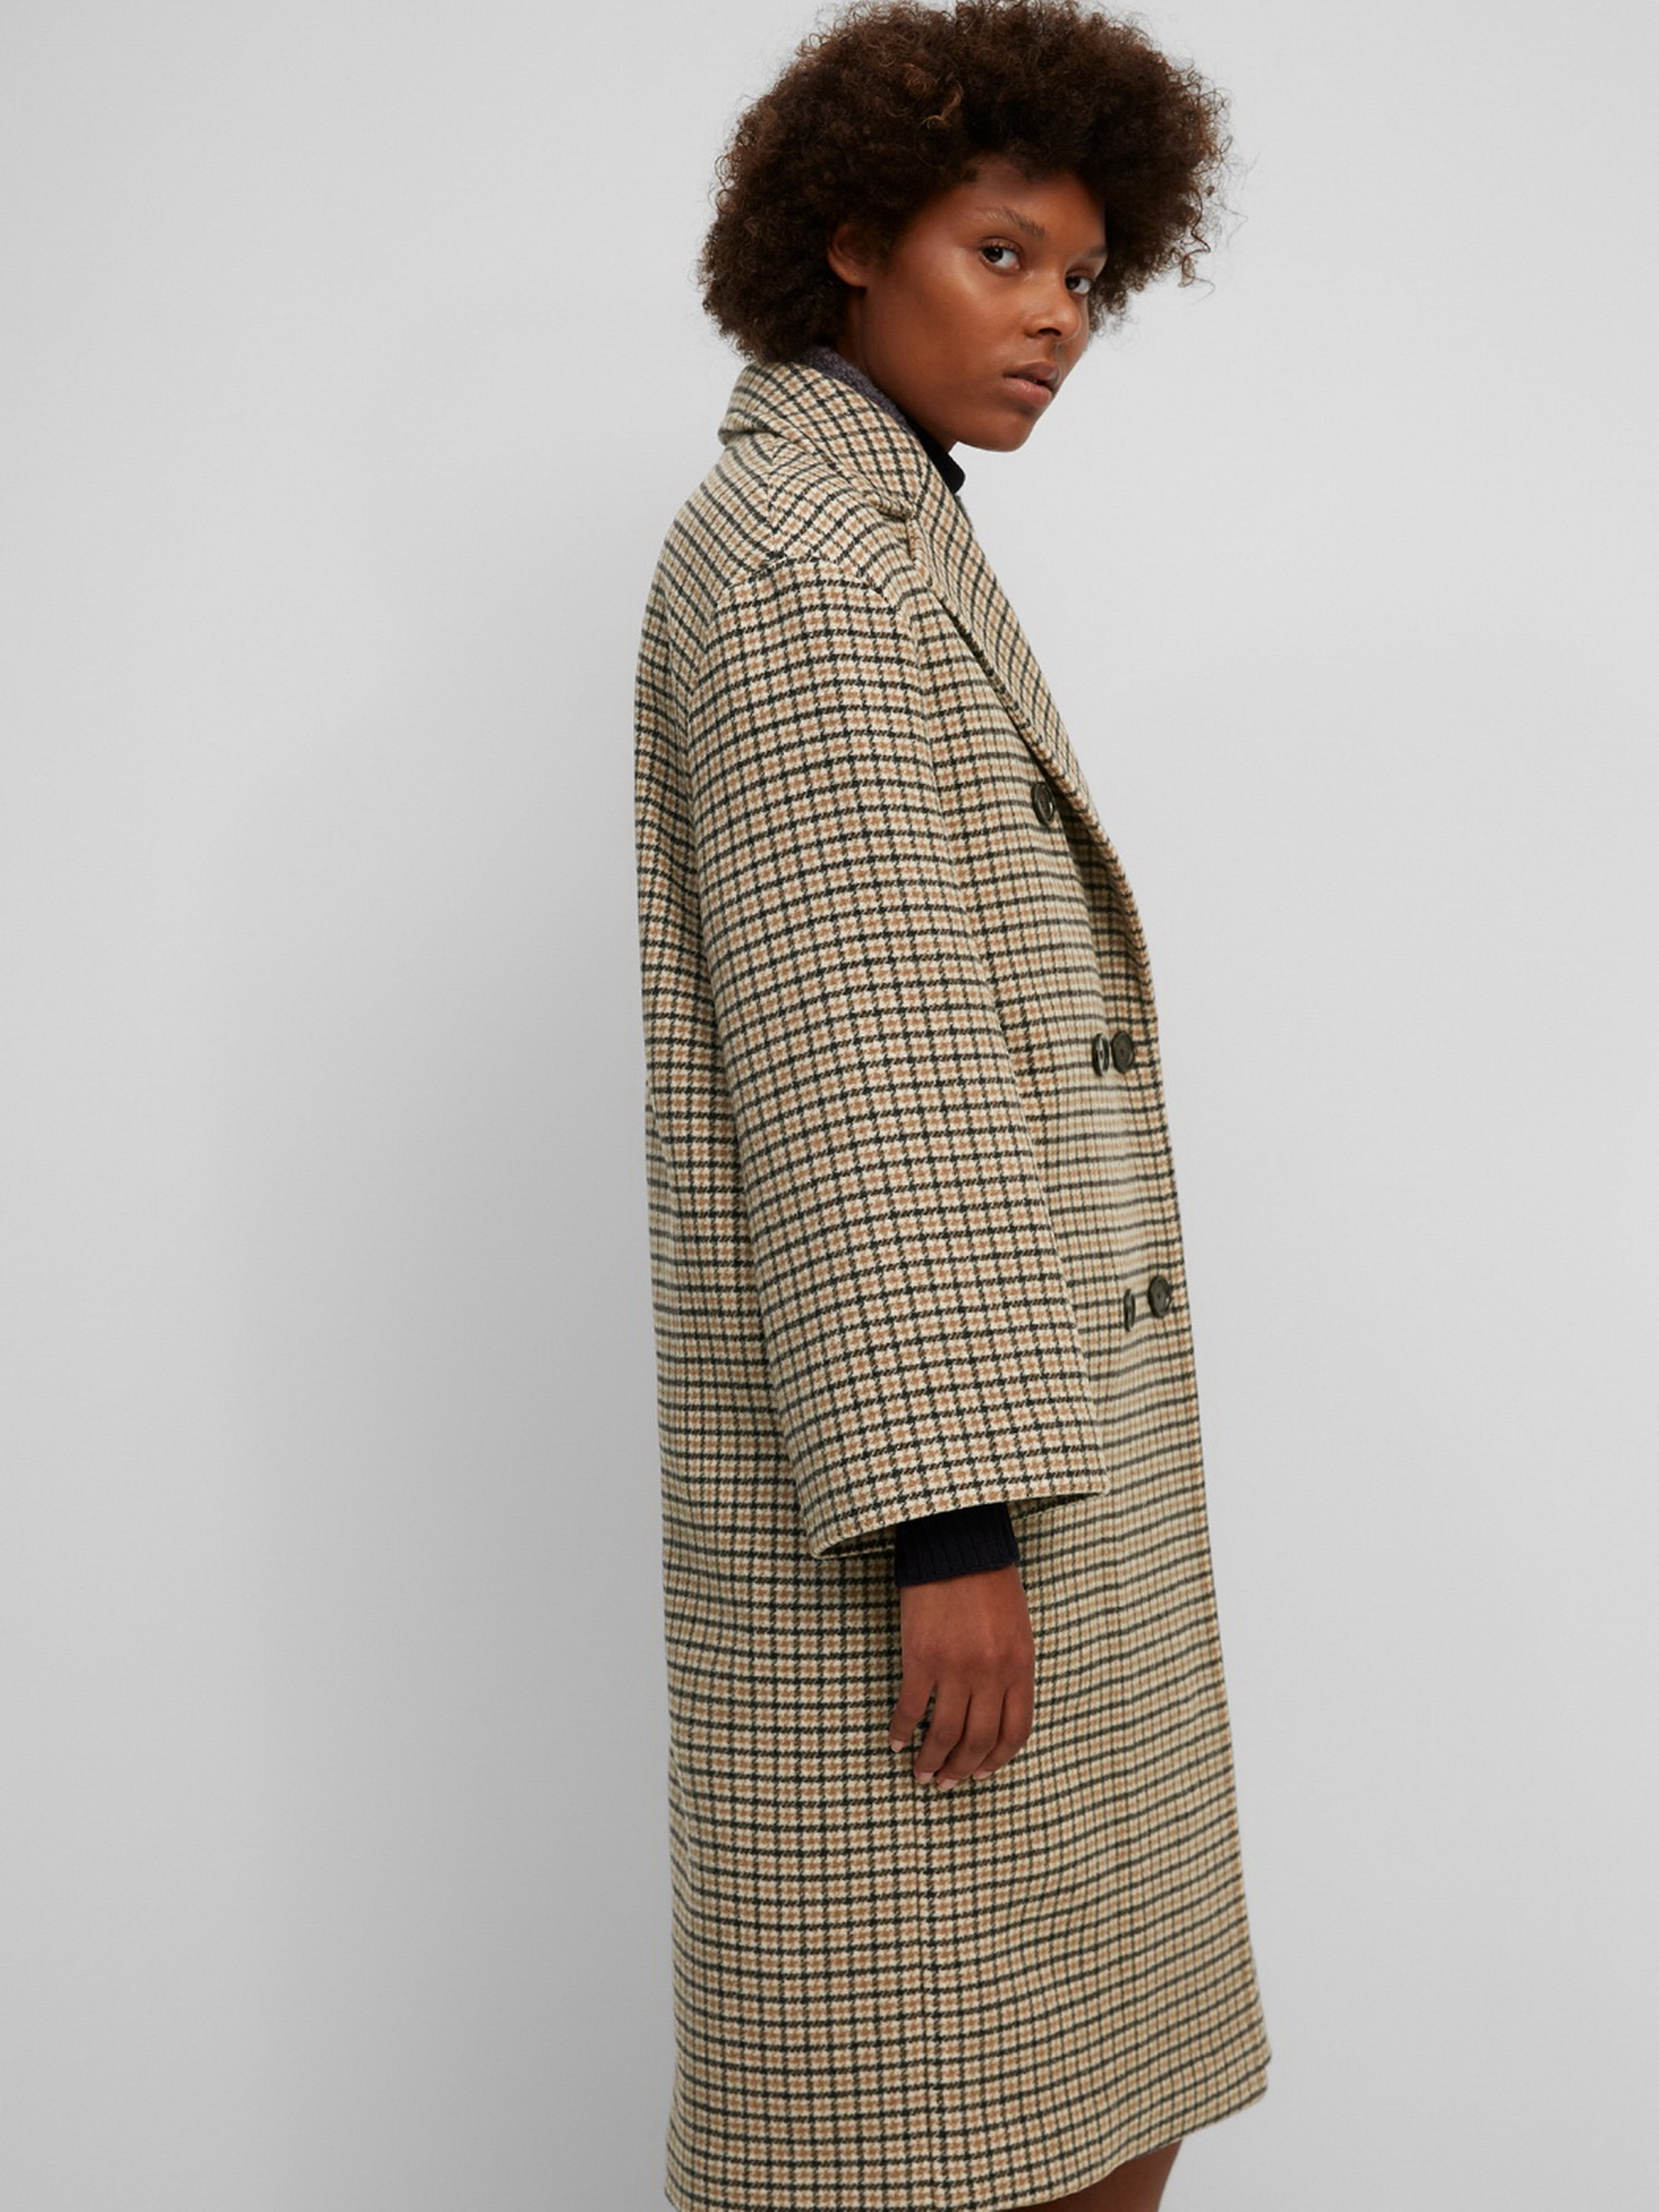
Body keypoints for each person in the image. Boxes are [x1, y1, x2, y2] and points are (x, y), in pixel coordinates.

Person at [631, 3, 1271, 2205]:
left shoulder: (884, 527)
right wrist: (955, 1530)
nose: (1057, 319)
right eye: (1000, 255)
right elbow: (858, 1062)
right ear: (846, 240)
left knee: (1071, 2101)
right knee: (924, 2126)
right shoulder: (810, 570)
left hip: (1024, 1469)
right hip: (947, 1512)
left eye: (1083, 274)